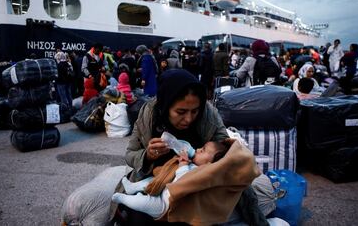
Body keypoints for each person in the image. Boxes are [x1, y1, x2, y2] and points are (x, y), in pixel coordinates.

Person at [109, 69, 264, 225]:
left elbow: (226, 156)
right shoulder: (149, 116)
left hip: (197, 187)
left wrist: (206, 166)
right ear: (165, 106)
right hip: (157, 183)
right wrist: (148, 156)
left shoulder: (208, 116)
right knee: (141, 214)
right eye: (181, 112)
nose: (189, 119)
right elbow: (130, 154)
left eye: (194, 111)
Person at [112, 141, 228, 219]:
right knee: (154, 180)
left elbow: (184, 182)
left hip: (166, 205)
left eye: (202, 150)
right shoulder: (194, 165)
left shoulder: (203, 174)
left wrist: (183, 164)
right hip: (164, 188)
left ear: (210, 163)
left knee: (144, 203)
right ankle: (133, 187)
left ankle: (123, 198)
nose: (197, 149)